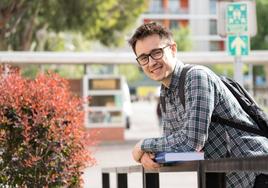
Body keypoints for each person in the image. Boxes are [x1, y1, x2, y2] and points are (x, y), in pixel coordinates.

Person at [128, 22, 268, 188]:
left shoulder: (196, 77)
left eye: (156, 53)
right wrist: (149, 156)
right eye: (144, 58)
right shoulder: (166, 92)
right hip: (225, 178)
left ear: (173, 49)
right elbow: (173, 147)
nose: (151, 63)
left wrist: (142, 146)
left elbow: (191, 142)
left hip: (255, 173)